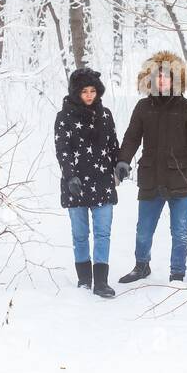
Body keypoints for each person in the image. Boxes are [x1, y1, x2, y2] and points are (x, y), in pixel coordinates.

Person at [114, 51, 187, 284]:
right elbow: (131, 138)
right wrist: (123, 160)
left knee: (180, 232)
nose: (162, 81)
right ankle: (141, 266)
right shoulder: (142, 107)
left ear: (177, 79)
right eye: (157, 77)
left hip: (180, 177)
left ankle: (177, 274)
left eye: (167, 77)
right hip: (151, 177)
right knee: (143, 230)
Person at [54, 67, 119, 299]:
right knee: (80, 234)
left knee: (103, 233)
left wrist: (120, 163)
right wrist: (70, 176)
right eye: (85, 91)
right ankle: (84, 279)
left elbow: (113, 146)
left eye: (93, 90)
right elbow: (62, 150)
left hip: (102, 182)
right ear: (76, 93)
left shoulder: (106, 115)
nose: (90, 95)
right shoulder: (64, 117)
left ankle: (101, 281)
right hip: (76, 183)